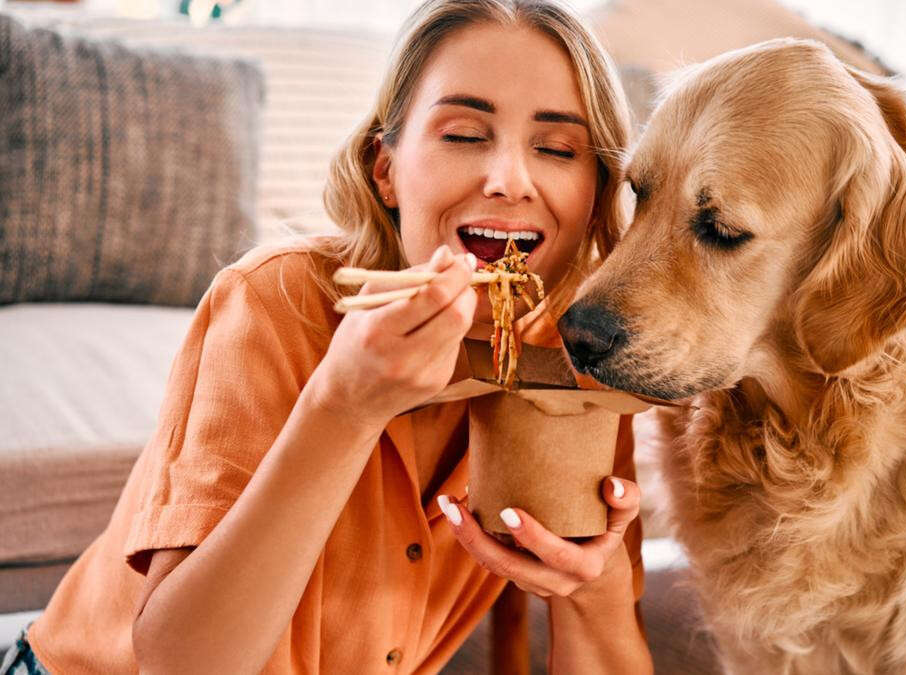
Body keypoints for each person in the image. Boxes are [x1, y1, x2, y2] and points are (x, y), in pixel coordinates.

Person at [7, 1, 650, 672]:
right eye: (463, 134)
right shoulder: (273, 303)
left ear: (595, 190)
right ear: (385, 167)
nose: (509, 180)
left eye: (556, 149)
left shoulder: (581, 362)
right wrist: (344, 405)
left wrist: (593, 584)